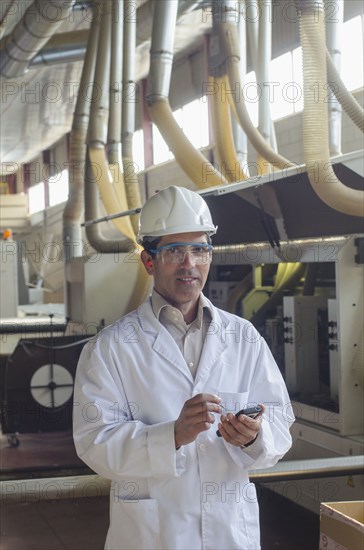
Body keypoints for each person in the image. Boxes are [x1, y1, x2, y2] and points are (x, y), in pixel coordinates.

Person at [73, 185, 294, 550]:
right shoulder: (110, 347)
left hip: (229, 532)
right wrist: (171, 435)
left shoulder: (243, 337)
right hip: (154, 534)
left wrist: (255, 435)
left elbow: (281, 422)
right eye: (175, 251)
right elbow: (94, 443)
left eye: (199, 250)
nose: (189, 264)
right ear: (149, 261)